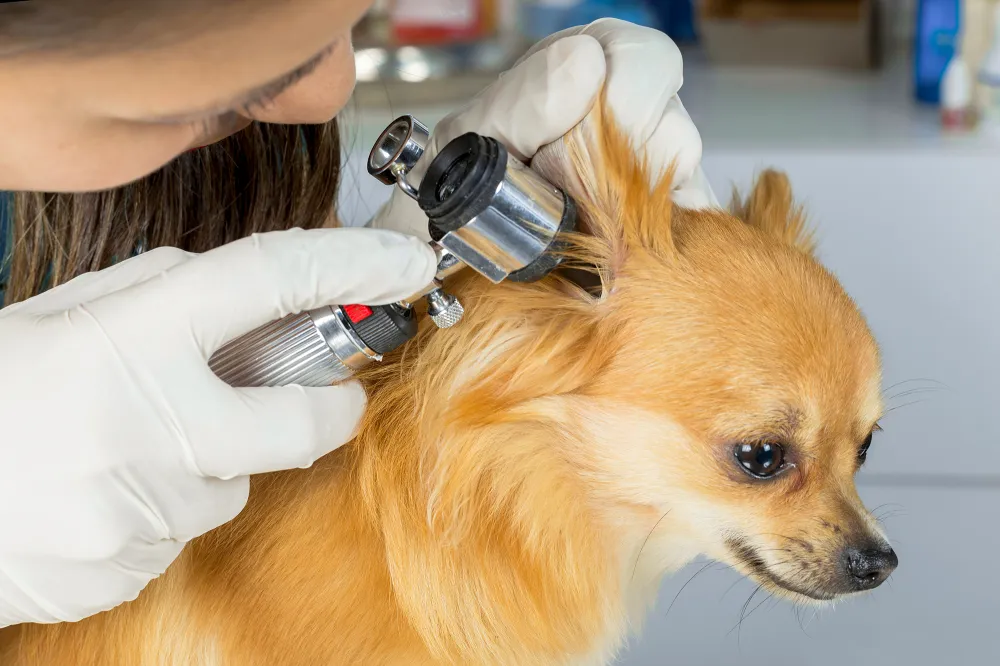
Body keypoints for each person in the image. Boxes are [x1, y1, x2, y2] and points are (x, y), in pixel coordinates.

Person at [0, 0, 715, 628]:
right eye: (266, 73)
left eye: (351, 18)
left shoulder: (200, 161)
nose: (330, 92)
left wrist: (406, 310)